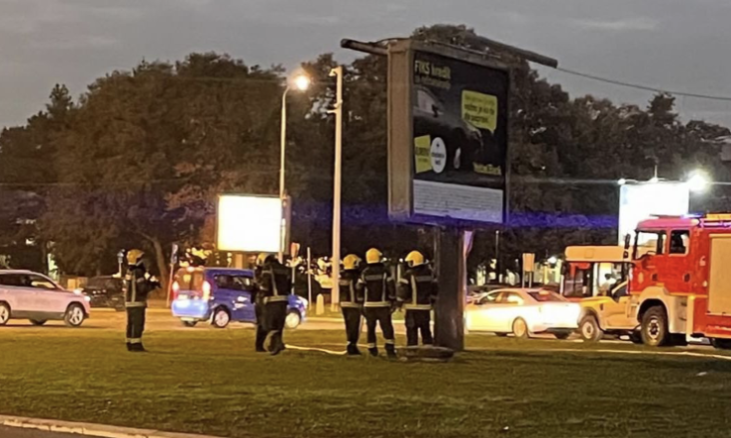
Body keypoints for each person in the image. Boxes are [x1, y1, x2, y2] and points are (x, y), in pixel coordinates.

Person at [358, 248, 397, 358]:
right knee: (387, 327)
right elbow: (391, 286)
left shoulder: (365, 272)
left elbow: (359, 288)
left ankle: (372, 349)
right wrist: (392, 300)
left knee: (370, 328)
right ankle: (390, 349)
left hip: (369, 305)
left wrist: (361, 302)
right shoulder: (385, 272)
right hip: (383, 305)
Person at [254, 253, 292, 356]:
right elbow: (290, 285)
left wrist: (257, 278)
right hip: (283, 300)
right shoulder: (284, 268)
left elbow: (264, 285)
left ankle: (260, 346)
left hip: (270, 300)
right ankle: (276, 344)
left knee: (265, 324)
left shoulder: (267, 268)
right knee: (279, 325)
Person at [398, 251, 437, 347]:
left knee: (412, 331)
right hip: (425, 307)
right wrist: (432, 301)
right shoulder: (430, 273)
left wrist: (399, 303)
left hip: (412, 308)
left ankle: (412, 349)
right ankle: (428, 348)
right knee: (425, 330)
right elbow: (435, 289)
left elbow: (404, 292)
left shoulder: (408, 275)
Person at [124, 249, 153, 352]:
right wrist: (151, 284)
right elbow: (142, 288)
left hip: (129, 302)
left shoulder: (129, 271)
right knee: (138, 324)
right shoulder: (138, 272)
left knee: (130, 324)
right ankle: (136, 345)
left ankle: (129, 343)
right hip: (137, 302)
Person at [340, 254, 364, 355]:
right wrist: (361, 301)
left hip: (344, 304)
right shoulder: (356, 276)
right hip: (354, 304)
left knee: (348, 325)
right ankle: (352, 346)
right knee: (354, 326)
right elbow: (359, 289)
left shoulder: (342, 275)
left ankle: (350, 344)